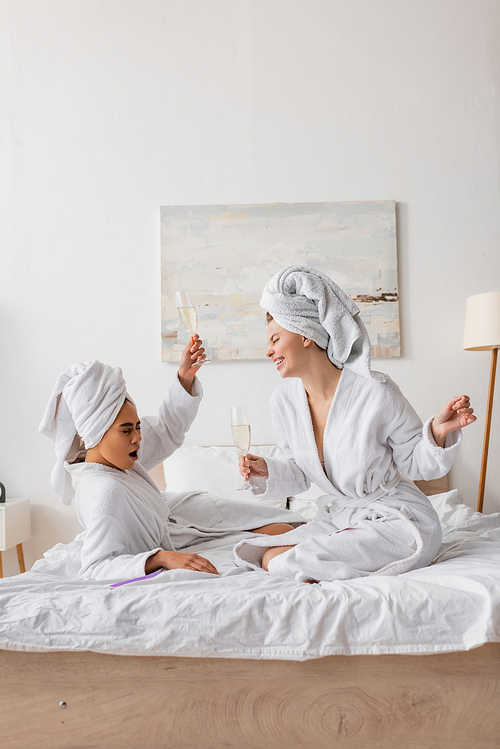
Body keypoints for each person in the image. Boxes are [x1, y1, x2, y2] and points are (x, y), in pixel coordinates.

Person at [234, 265, 476, 583]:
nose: (269, 351)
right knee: (259, 553)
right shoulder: (283, 403)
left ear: (305, 334)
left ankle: (396, 556)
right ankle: (367, 560)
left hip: (397, 519)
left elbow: (418, 466)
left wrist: (436, 433)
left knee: (286, 562)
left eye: (275, 339)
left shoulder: (375, 390)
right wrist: (267, 468)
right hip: (344, 516)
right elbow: (301, 474)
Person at [39, 335, 302, 581]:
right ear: (95, 433)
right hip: (179, 534)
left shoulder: (116, 457)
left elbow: (165, 430)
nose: (137, 438)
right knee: (285, 533)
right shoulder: (104, 491)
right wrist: (160, 557)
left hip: (186, 516)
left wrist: (184, 378)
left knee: (290, 528)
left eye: (138, 426)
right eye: (127, 430)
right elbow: (95, 568)